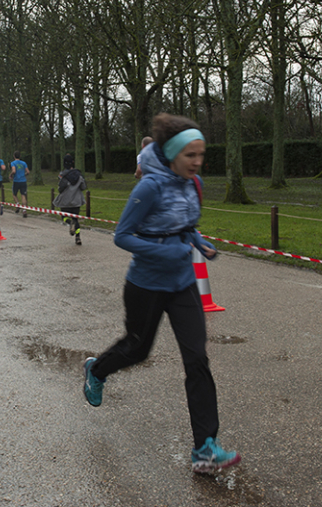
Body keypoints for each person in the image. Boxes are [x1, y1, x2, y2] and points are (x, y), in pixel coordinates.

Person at [81, 113, 240, 475]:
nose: (197, 162)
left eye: (201, 154)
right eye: (190, 155)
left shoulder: (192, 183)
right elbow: (122, 235)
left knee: (197, 360)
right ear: (171, 154)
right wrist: (169, 251)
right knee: (137, 349)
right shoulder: (149, 187)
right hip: (146, 285)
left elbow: (186, 226)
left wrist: (199, 242)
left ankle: (204, 449)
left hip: (183, 285)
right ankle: (98, 370)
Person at [53, 154, 87, 245]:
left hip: (65, 201)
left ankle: (69, 222)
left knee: (63, 217)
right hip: (76, 201)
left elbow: (60, 188)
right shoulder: (79, 175)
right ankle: (78, 238)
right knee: (75, 219)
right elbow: (83, 187)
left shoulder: (62, 175)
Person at [10, 151, 30, 218]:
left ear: (14, 156)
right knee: (23, 195)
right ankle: (24, 210)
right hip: (23, 181)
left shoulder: (13, 163)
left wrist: (10, 175)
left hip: (16, 181)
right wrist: (24, 175)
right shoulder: (24, 163)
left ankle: (18, 204)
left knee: (14, 194)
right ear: (20, 156)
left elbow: (14, 171)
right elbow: (28, 172)